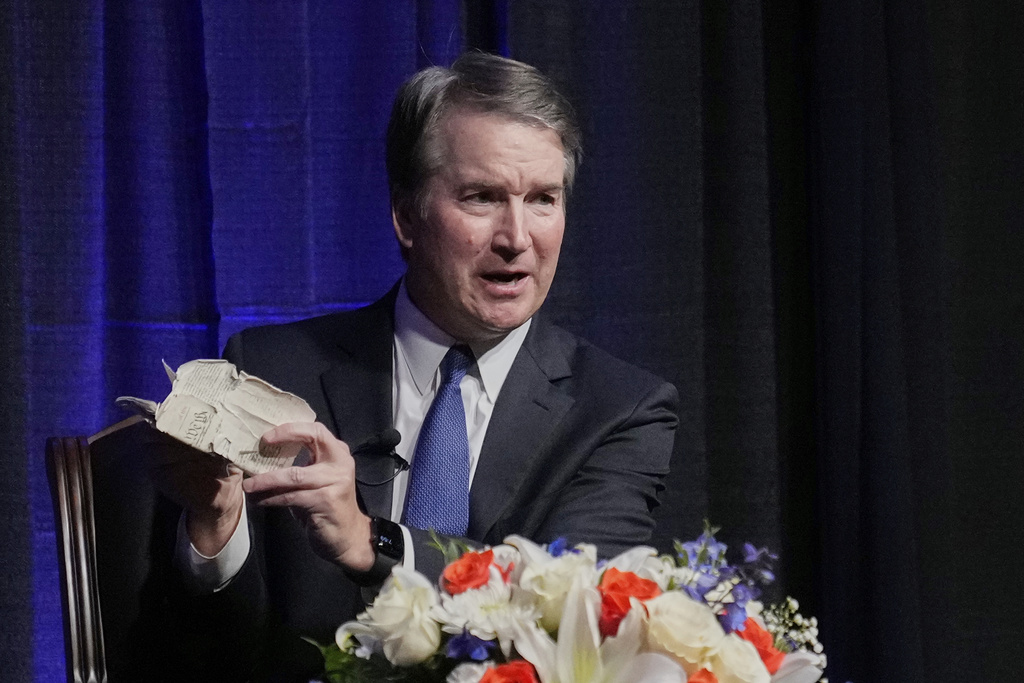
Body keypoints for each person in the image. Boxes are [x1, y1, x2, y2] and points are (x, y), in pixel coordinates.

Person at [148, 51, 679, 682]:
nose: (517, 237)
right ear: (406, 216)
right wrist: (215, 527)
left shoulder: (618, 410)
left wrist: (370, 540)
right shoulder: (271, 370)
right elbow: (199, 650)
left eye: (543, 199)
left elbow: (569, 606)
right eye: (482, 198)